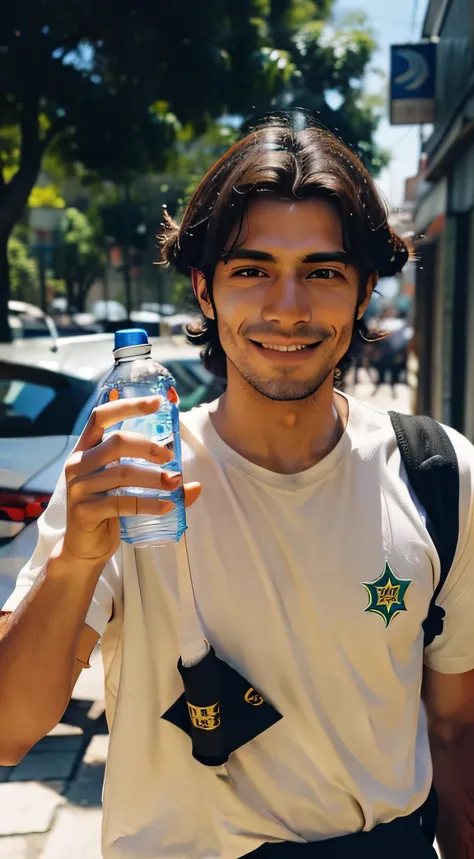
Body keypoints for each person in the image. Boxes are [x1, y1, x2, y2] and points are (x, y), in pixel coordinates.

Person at [1, 110, 473, 859]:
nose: (288, 308)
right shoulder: (132, 476)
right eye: (252, 269)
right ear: (205, 289)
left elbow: (453, 727)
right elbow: (9, 729)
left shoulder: (440, 474)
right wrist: (76, 560)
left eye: (322, 271)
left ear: (361, 294)